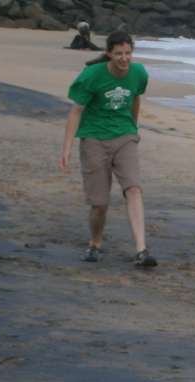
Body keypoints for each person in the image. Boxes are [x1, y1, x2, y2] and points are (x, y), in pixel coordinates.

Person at [60, 30, 156, 268]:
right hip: (94, 138)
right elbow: (76, 111)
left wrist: (133, 128)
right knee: (99, 203)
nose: (124, 58)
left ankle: (142, 250)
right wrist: (67, 147)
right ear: (109, 54)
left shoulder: (139, 73)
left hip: (124, 136)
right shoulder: (92, 75)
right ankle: (94, 243)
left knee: (133, 189)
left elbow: (135, 98)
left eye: (128, 53)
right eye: (119, 54)